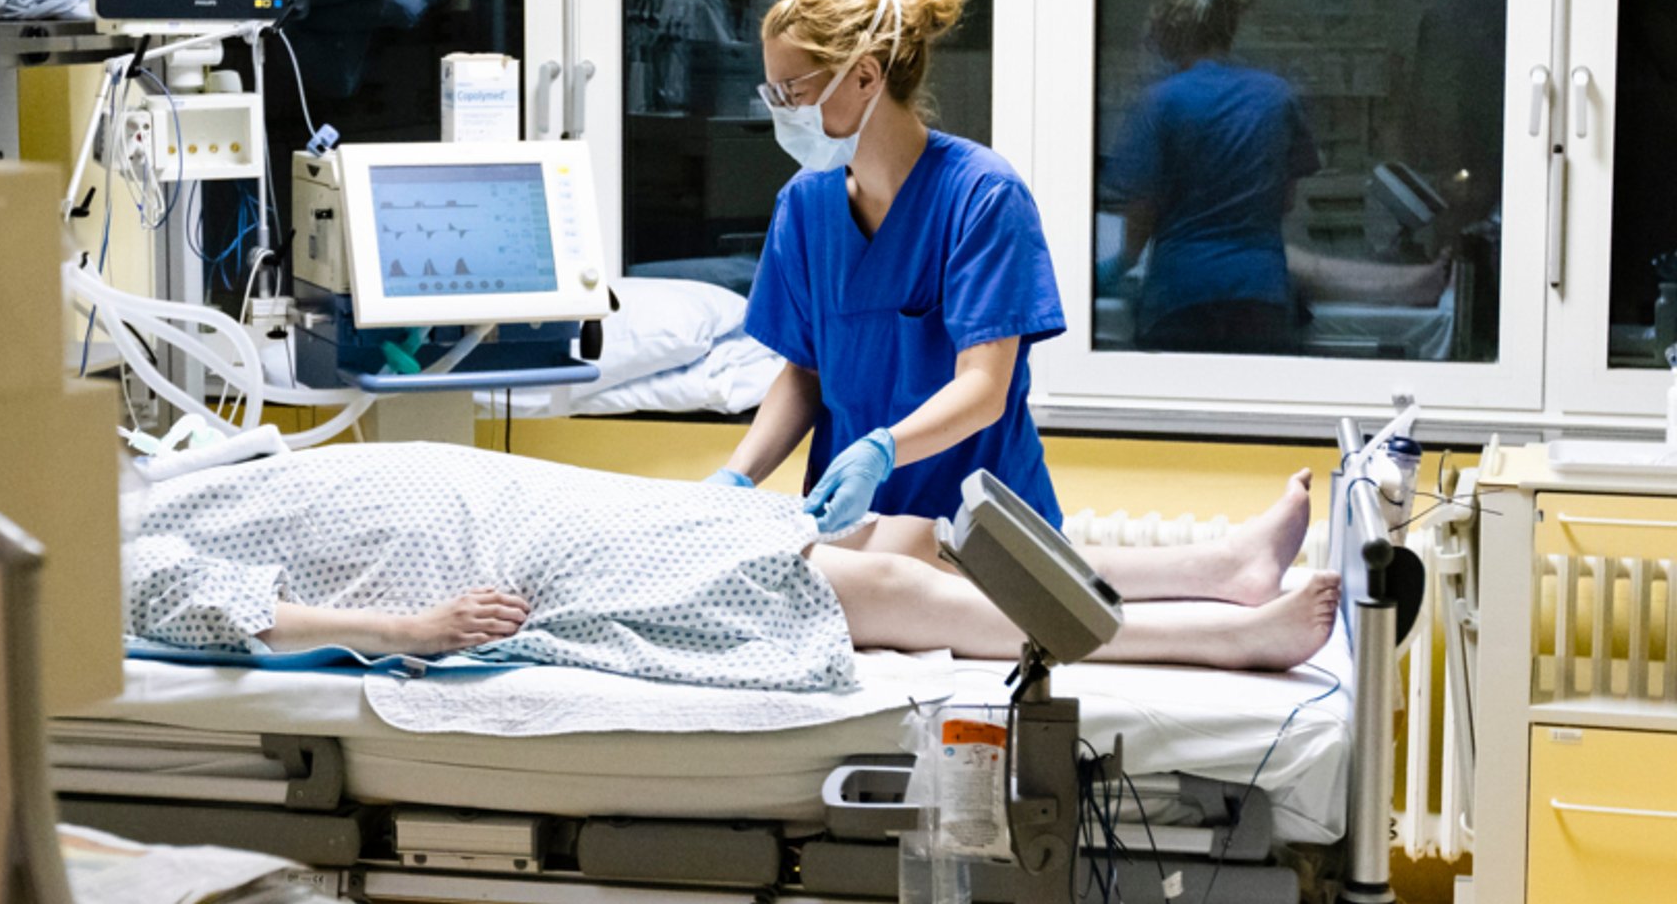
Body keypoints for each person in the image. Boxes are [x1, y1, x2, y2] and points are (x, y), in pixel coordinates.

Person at [124, 443, 1338, 693]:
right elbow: (227, 608)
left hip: (530, 499)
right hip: (507, 555)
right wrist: (408, 627)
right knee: (876, 588)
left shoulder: (118, 466)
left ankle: (1210, 564)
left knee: (891, 536)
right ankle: (1220, 630)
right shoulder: (90, 542)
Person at [706, 0, 1067, 536]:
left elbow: (983, 387)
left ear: (866, 76)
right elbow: (805, 374)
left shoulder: (982, 196)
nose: (780, 111)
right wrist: (738, 477)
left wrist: (883, 450)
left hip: (981, 534)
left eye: (791, 92)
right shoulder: (804, 206)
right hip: (857, 531)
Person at [1101, 0, 1449, 355]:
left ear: (1169, 34)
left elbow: (1140, 217)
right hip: (1261, 298)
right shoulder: (1275, 96)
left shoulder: (1160, 102)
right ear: (1231, 28)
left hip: (1180, 298)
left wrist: (1116, 268)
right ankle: (1415, 283)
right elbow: (1283, 201)